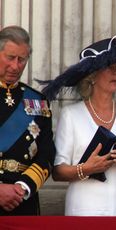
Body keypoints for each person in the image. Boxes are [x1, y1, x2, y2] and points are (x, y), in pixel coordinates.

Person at [39, 34, 116, 216]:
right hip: (85, 210)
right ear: (92, 76)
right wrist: (88, 169)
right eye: (110, 66)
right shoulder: (71, 115)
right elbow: (58, 171)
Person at [0, 25, 56, 215]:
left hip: (22, 202)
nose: (16, 66)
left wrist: (23, 187)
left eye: (22, 59)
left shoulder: (37, 101)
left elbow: (47, 154)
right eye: (10, 57)